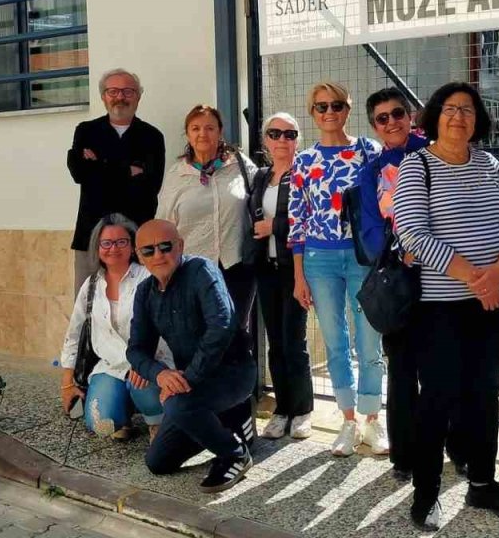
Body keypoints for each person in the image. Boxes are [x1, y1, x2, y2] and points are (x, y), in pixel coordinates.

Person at [393, 82, 499, 530]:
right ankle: (427, 493)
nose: (459, 117)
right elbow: (413, 234)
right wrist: (475, 277)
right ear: (434, 116)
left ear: (478, 119)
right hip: (440, 307)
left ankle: (483, 483)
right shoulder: (417, 166)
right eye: (450, 109)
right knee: (437, 397)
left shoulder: (490, 164)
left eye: (468, 110)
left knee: (485, 394)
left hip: (491, 302)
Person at [351, 87, 466, 482]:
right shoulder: (371, 172)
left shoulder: (437, 153)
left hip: (445, 276)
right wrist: (399, 251)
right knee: (402, 369)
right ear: (374, 126)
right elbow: (368, 231)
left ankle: (459, 448)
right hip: (401, 280)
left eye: (397, 113)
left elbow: (455, 208)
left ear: (411, 114)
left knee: (447, 366)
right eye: (382, 118)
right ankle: (405, 454)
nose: (391, 122)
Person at [288, 82, 388, 457]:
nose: (328, 113)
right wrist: (299, 274)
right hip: (319, 259)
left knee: (369, 340)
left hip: (363, 257)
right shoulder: (304, 160)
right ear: (311, 112)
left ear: (348, 109)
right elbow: (297, 218)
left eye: (336, 105)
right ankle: (348, 421)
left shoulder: (369, 151)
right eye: (320, 107)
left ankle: (373, 420)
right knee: (335, 341)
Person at [126, 220, 257, 494]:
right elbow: (136, 349)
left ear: (180, 246)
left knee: (179, 404)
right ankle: (231, 416)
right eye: (148, 251)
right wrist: (160, 374)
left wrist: (187, 379)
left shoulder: (201, 271)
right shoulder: (144, 293)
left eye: (165, 247)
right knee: (158, 462)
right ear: (139, 256)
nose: (158, 255)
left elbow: (221, 326)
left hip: (232, 373)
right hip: (193, 384)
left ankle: (235, 453)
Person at [156, 105, 258, 346]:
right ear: (188, 134)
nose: (203, 134)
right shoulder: (177, 175)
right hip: (192, 270)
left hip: (236, 265)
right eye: (196, 128)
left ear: (220, 132)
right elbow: (163, 224)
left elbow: (262, 198)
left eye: (210, 128)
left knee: (235, 335)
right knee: (198, 335)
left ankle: (237, 383)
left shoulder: (240, 166)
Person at [59, 214, 167, 440]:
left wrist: (146, 362)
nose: (113, 249)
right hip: (111, 366)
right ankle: (123, 408)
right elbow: (73, 335)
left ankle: (156, 421)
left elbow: (165, 328)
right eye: (106, 243)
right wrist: (67, 384)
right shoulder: (91, 286)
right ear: (97, 248)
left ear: (133, 246)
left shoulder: (148, 278)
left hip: (149, 363)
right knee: (101, 423)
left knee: (143, 388)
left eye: (121, 242)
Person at [67, 69, 166, 292]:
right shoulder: (86, 131)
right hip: (90, 237)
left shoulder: (152, 137)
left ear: (138, 97)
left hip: (136, 239)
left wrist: (100, 166)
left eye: (127, 91)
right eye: (113, 91)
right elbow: (79, 174)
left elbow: (151, 187)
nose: (120, 97)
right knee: (88, 307)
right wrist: (126, 171)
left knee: (136, 306)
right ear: (103, 96)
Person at [248, 112, 315, 441]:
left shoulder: (306, 174)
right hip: (266, 269)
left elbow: (313, 220)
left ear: (297, 140)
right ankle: (282, 408)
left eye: (290, 134)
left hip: (295, 270)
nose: (282, 140)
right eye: (275, 133)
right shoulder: (260, 177)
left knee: (294, 342)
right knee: (275, 342)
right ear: (265, 140)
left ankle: (302, 409)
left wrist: (273, 226)